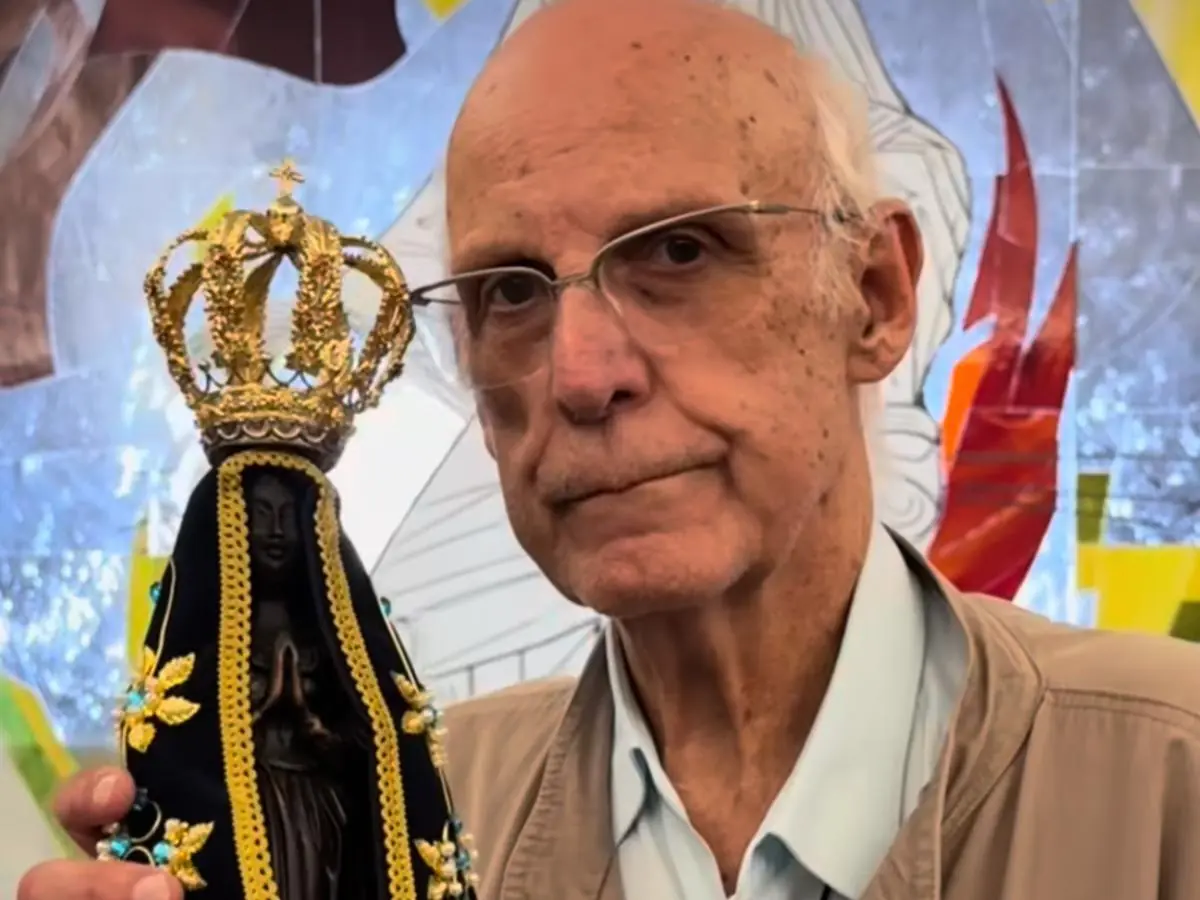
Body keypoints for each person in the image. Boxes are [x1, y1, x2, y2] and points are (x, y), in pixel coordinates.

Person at [17, 0, 1200, 898]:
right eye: (510, 291)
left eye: (680, 252)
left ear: (878, 294)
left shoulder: (1166, 787)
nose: (581, 374)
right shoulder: (399, 822)